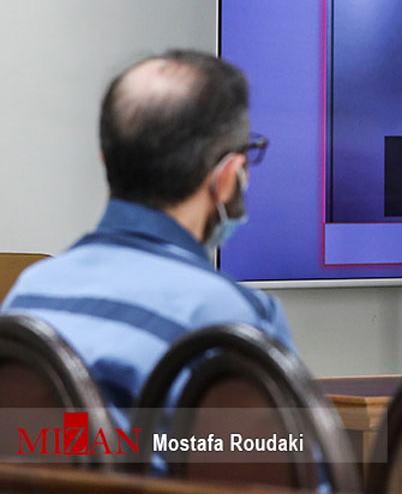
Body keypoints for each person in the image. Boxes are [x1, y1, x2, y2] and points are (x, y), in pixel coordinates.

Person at [1, 49, 294, 422]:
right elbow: (276, 458)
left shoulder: (29, 292)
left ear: (106, 160)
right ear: (227, 177)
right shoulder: (234, 321)